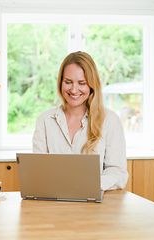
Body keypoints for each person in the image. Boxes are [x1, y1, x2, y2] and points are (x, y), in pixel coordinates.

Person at [32, 51, 128, 191]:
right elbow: (38, 170)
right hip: (54, 203)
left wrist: (87, 185)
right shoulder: (45, 121)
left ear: (91, 85)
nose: (74, 89)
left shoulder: (110, 120)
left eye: (82, 83)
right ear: (60, 83)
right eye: (68, 82)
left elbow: (117, 172)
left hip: (95, 204)